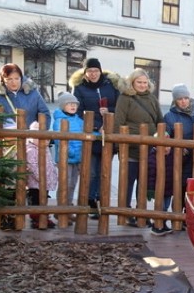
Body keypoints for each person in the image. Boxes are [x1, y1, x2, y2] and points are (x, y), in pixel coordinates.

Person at [69, 57, 122, 219]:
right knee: (91, 171)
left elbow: (120, 106)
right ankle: (90, 200)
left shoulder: (111, 86)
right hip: (91, 134)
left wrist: (109, 113)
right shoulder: (79, 89)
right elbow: (77, 110)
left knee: (103, 171)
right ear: (85, 73)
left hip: (108, 133)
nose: (93, 74)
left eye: (95, 71)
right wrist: (94, 125)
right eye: (90, 71)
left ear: (100, 71)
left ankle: (99, 200)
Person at [152, 83, 194, 235]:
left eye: (185, 98)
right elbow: (164, 132)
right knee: (170, 188)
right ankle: (161, 221)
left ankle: (185, 219)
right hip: (176, 159)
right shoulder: (170, 116)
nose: (183, 101)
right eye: (180, 99)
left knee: (188, 189)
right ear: (175, 100)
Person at [114, 68, 163, 226]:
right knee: (128, 181)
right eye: (139, 82)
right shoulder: (125, 98)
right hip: (130, 148)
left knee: (144, 182)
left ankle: (141, 211)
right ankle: (127, 212)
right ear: (132, 82)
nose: (142, 85)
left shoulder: (152, 99)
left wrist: (162, 135)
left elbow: (160, 120)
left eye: (144, 82)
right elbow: (118, 122)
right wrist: (118, 145)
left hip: (149, 149)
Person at [51, 92, 85, 214]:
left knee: (73, 183)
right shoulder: (59, 121)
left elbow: (87, 134)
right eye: (69, 104)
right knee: (65, 182)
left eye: (75, 104)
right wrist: (70, 152)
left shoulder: (80, 121)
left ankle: (69, 206)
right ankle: (61, 207)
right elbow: (59, 140)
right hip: (66, 158)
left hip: (78, 157)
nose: (73, 106)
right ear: (62, 105)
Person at [24, 121, 58, 229]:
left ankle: (43, 217)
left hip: (45, 181)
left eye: (48, 139)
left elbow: (49, 163)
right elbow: (32, 166)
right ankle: (36, 218)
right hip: (36, 182)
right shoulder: (31, 150)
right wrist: (41, 178)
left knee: (44, 199)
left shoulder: (45, 149)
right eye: (42, 139)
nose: (46, 141)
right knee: (35, 200)